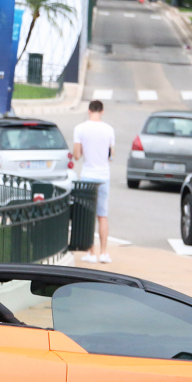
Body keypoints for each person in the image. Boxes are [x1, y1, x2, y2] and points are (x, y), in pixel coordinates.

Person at [73, 100, 117, 264]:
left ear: (89, 110)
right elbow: (111, 156)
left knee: (88, 215)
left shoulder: (80, 128)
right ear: (102, 111)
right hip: (103, 174)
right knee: (102, 215)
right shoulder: (109, 130)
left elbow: (77, 155)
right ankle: (104, 253)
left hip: (87, 175)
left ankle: (90, 252)